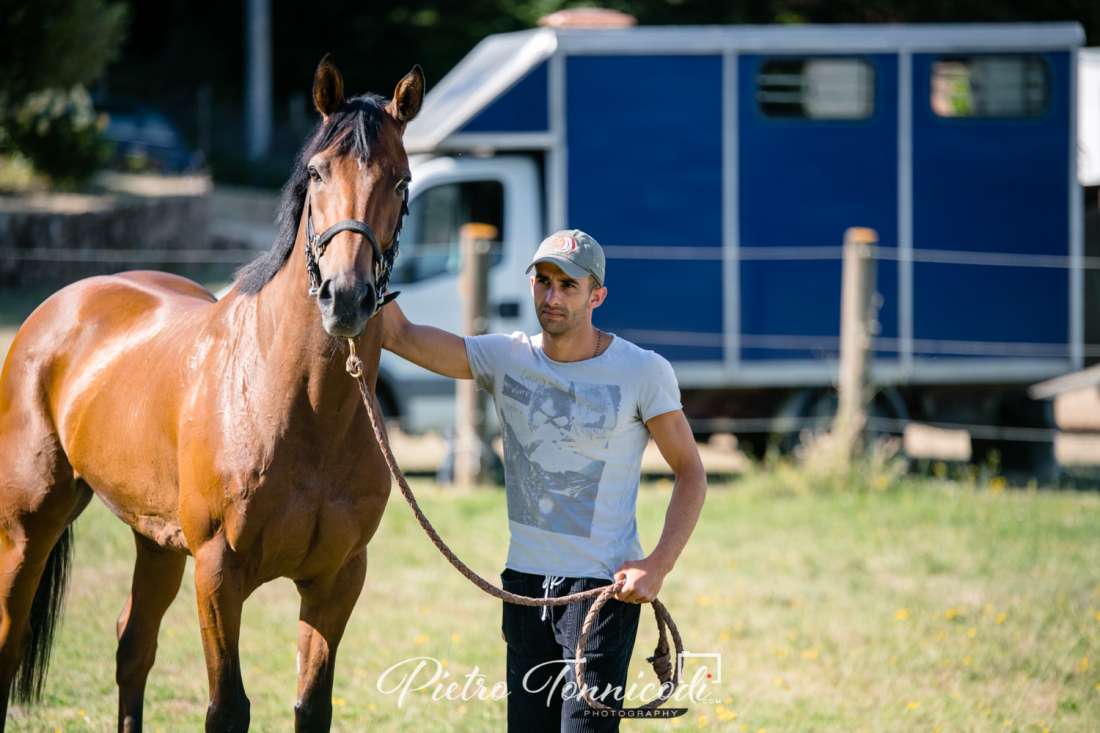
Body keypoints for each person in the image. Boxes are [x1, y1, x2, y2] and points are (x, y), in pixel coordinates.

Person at [380, 228, 707, 730]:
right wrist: (366, 262)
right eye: (543, 281)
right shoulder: (507, 357)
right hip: (524, 587)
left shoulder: (643, 372)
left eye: (568, 286)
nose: (552, 297)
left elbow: (691, 473)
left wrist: (658, 564)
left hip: (601, 594)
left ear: (597, 295)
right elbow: (400, 336)